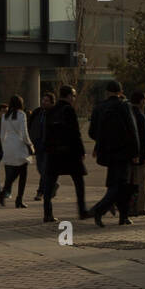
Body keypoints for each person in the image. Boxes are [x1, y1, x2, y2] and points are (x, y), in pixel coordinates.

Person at [89, 80, 140, 226]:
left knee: (116, 185)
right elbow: (133, 130)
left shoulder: (99, 107)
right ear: (120, 92)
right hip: (123, 153)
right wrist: (136, 152)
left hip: (107, 154)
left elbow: (92, 132)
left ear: (107, 92)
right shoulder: (124, 106)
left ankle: (123, 216)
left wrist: (103, 141)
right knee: (121, 185)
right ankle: (99, 209)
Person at [40, 85, 91, 222]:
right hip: (70, 153)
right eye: (73, 96)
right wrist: (81, 151)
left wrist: (47, 148)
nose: (74, 98)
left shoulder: (51, 110)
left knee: (49, 183)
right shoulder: (69, 110)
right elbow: (75, 133)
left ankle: (47, 213)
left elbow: (47, 132)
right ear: (68, 96)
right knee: (79, 182)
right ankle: (82, 210)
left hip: (54, 153)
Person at [0, 95, 34, 208]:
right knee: (22, 173)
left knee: (14, 172)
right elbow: (24, 133)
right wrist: (30, 144)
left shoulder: (5, 116)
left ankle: (4, 192)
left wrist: (4, 147)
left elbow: (2, 134)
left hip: (8, 146)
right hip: (19, 145)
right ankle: (18, 199)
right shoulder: (21, 114)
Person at [128, 90, 145, 217]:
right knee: (142, 182)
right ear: (142, 100)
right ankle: (141, 208)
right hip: (141, 156)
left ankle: (129, 206)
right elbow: (144, 139)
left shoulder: (127, 114)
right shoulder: (140, 116)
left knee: (131, 182)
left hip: (129, 156)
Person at [29, 92, 57, 202]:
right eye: (43, 100)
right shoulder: (38, 112)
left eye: (46, 101)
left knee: (45, 169)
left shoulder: (54, 113)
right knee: (40, 169)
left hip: (49, 146)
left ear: (52, 102)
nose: (43, 102)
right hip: (38, 144)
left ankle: (40, 192)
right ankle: (53, 184)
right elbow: (31, 126)